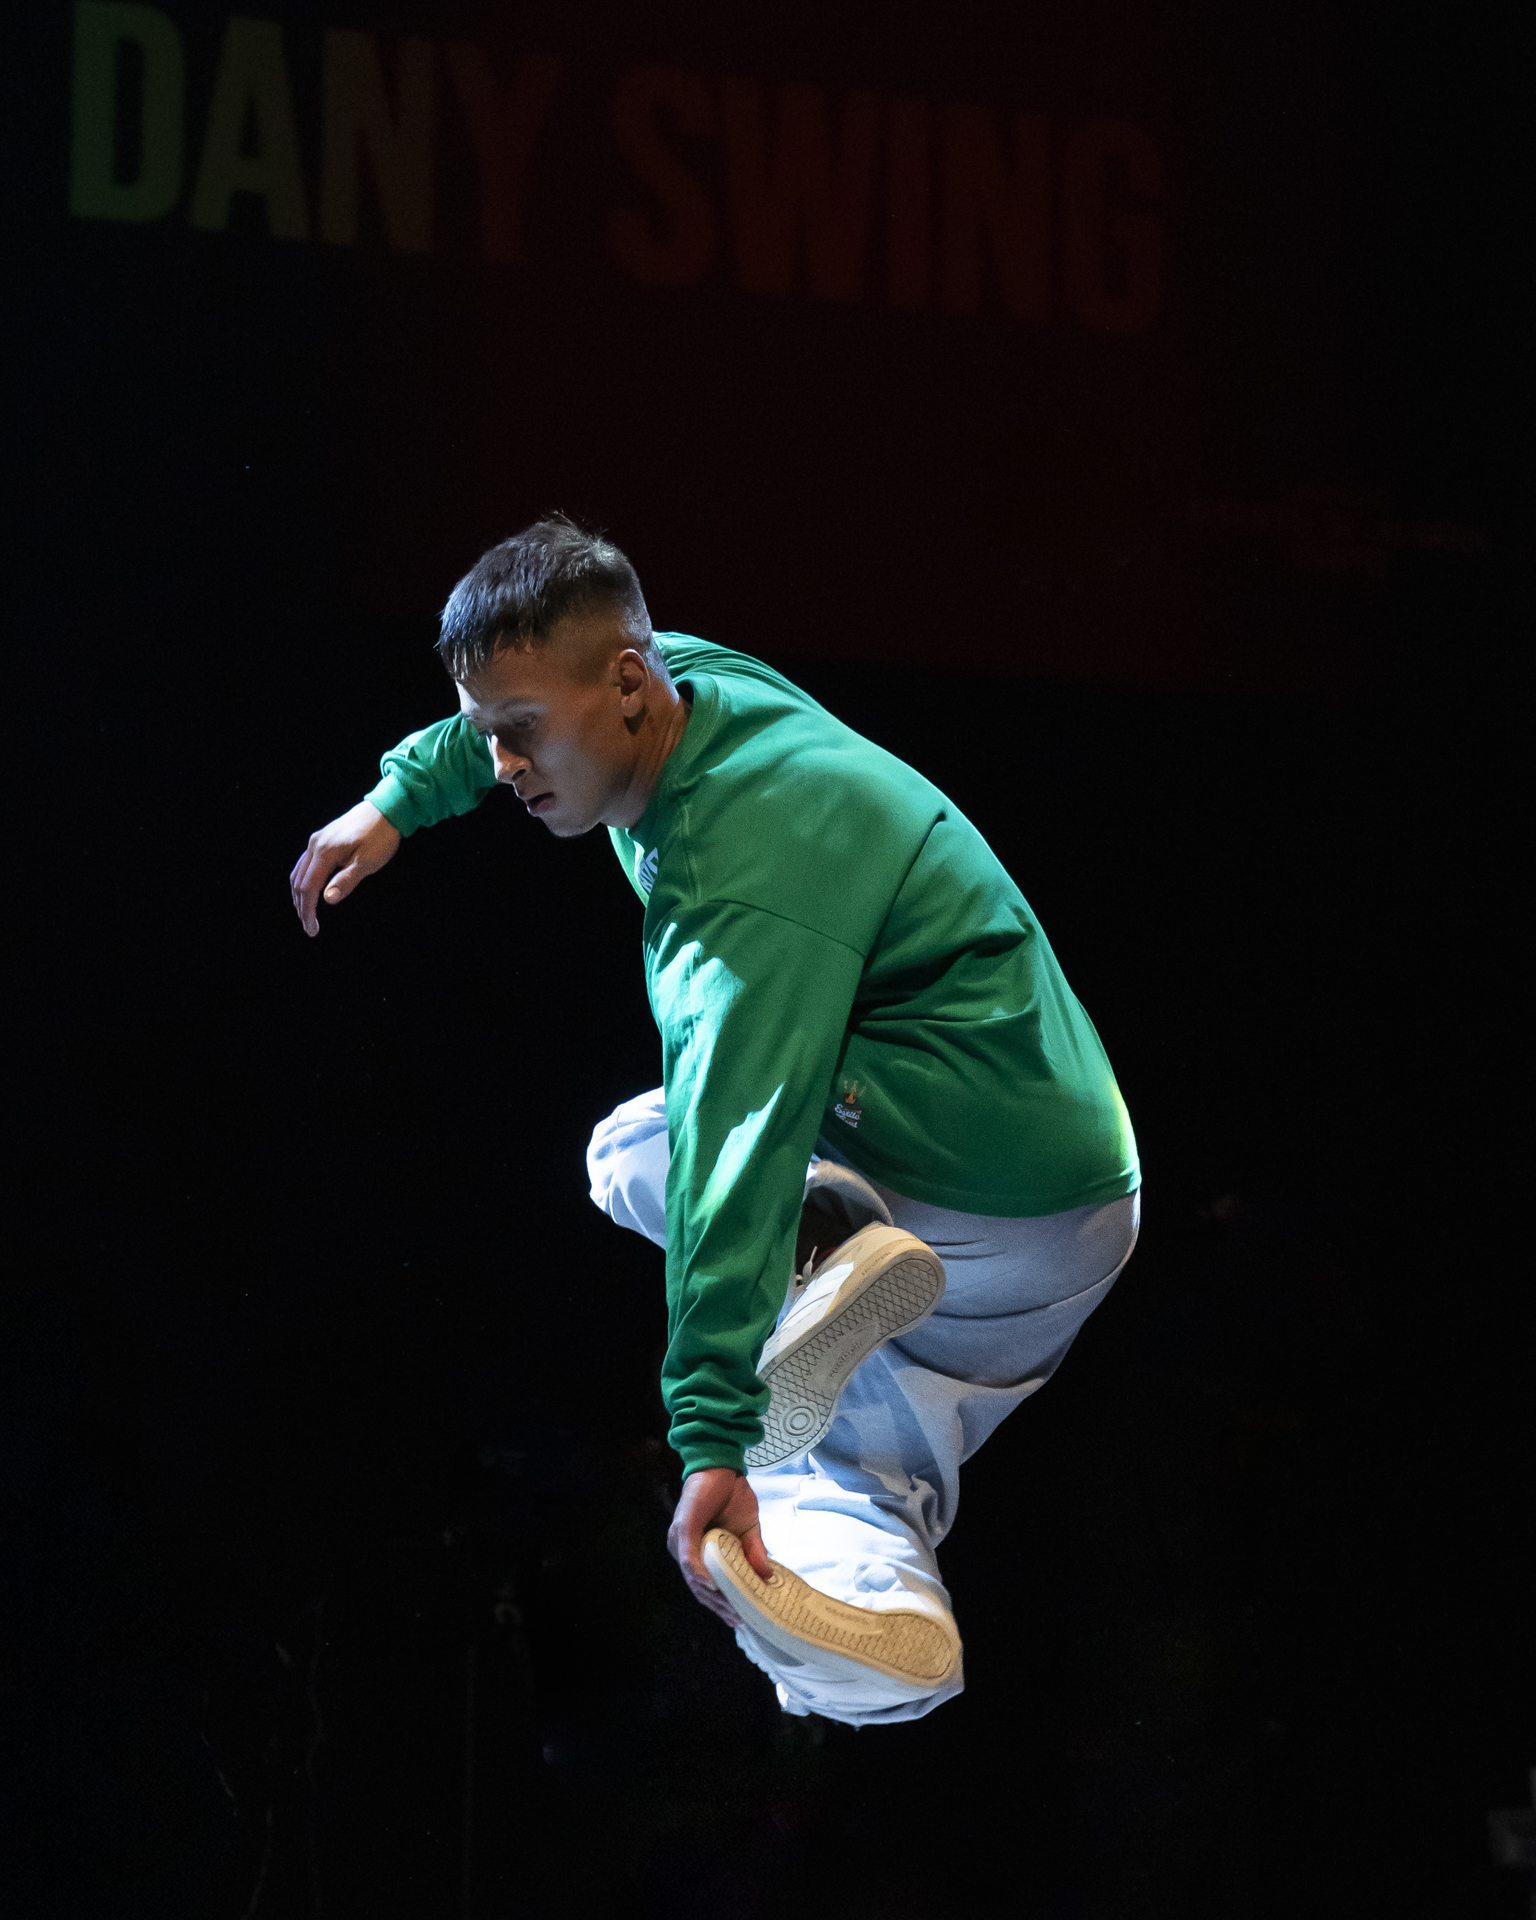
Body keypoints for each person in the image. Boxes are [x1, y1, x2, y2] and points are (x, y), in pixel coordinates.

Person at [290, 516, 1140, 1726]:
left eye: (520, 733)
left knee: (661, 1161)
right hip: (1069, 1200)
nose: (506, 763)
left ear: (628, 686)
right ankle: (884, 1610)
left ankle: (822, 1238)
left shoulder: (731, 887)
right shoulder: (689, 680)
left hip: (970, 1171)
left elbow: (734, 1148)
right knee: (850, 1449)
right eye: (487, 733)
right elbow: (501, 717)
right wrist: (399, 800)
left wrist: (708, 1438)